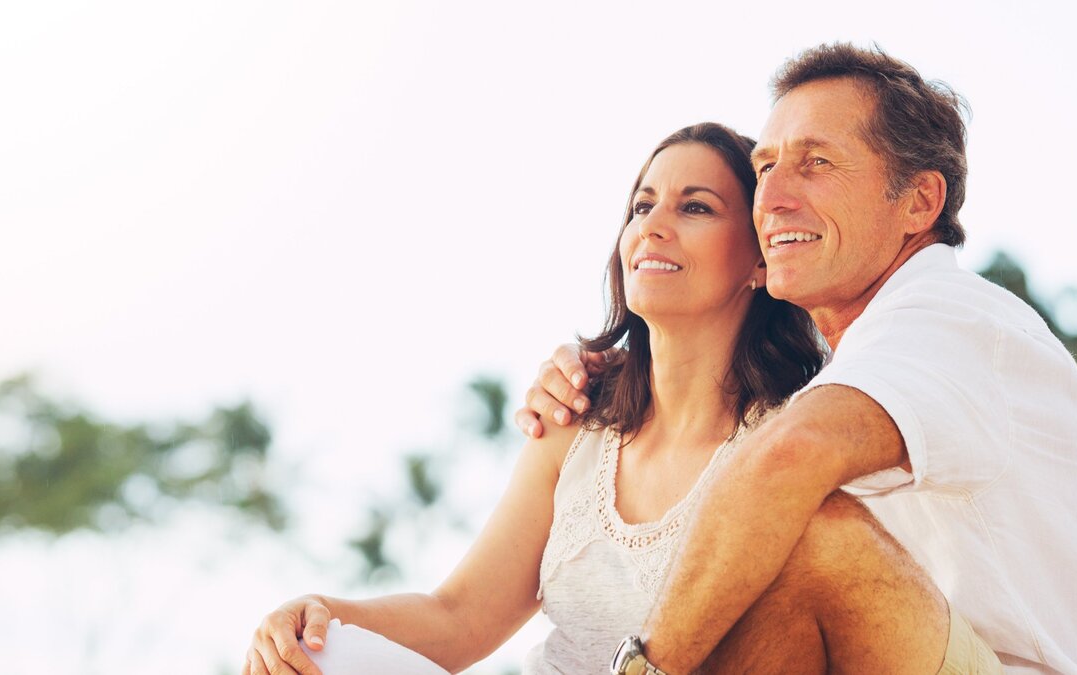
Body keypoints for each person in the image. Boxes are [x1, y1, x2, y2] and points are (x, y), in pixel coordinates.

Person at [519, 44, 1077, 674]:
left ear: (919, 201)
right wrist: (612, 374)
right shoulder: (858, 367)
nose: (771, 198)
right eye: (766, 168)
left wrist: (646, 668)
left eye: (816, 162)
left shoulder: (950, 314)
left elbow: (791, 457)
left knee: (805, 528)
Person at [241, 122, 825, 675]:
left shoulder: (791, 439)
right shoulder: (576, 422)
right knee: (315, 654)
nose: (652, 227)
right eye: (642, 207)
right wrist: (321, 613)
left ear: (759, 258)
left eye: (695, 207)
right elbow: (460, 617)